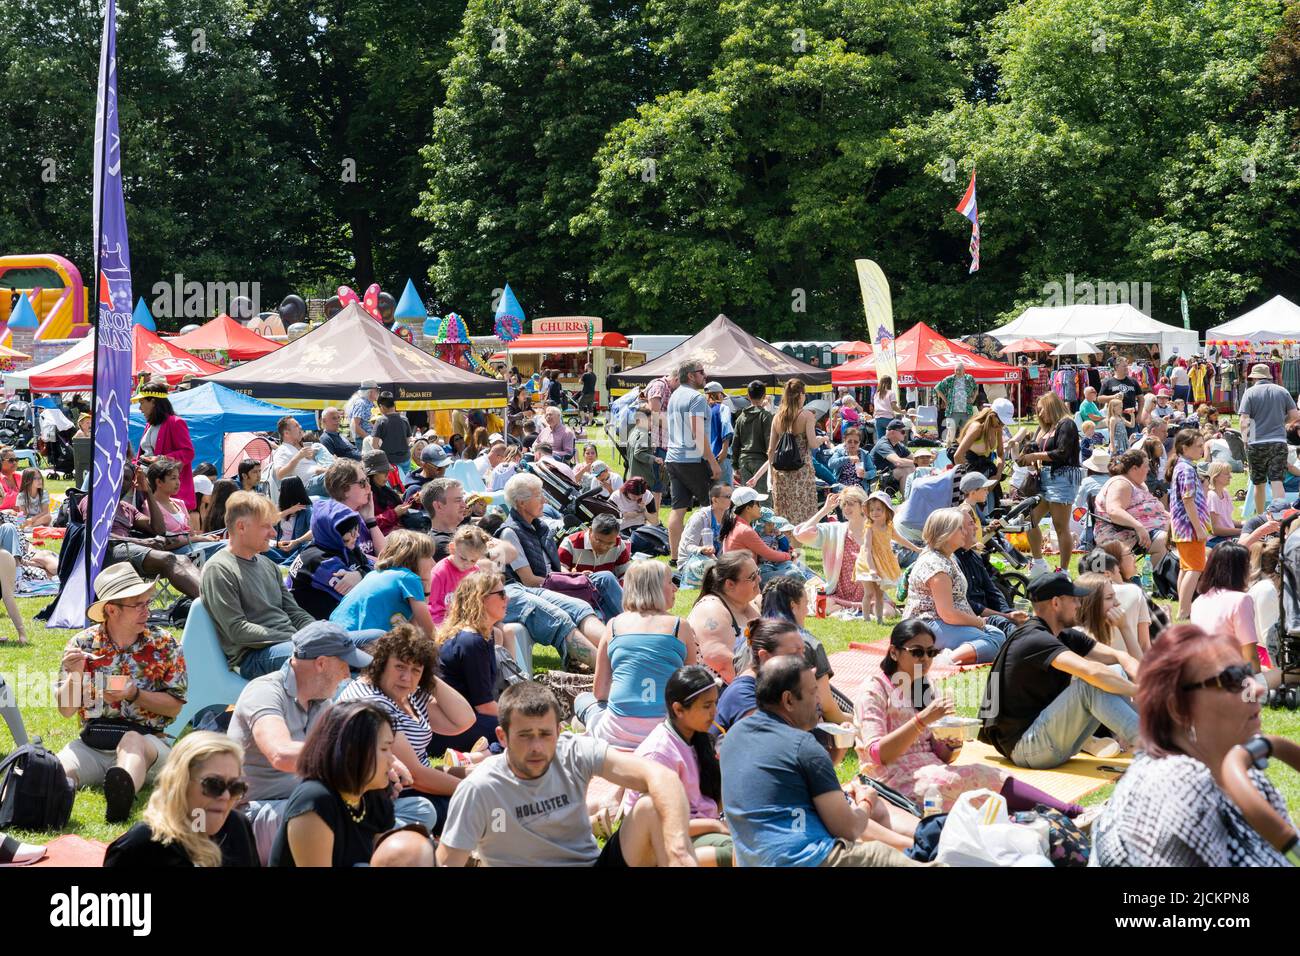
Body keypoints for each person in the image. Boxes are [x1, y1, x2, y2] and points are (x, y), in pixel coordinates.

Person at [436, 681, 696, 867]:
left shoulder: (573, 751)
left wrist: (679, 850)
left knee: (651, 807)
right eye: (525, 736)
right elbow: (448, 862)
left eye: (545, 735)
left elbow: (661, 777)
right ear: (503, 737)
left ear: (559, 733)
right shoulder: (480, 789)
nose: (536, 747)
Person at [1092, 623, 1290, 866]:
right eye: (1232, 679)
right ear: (1178, 708)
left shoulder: (1246, 777)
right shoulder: (1175, 783)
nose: (1257, 688)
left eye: (1248, 673)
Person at [857, 620, 1082, 816]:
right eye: (917, 652)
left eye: (931, 652)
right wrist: (922, 720)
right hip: (890, 779)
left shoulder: (924, 687)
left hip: (929, 769)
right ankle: (1066, 812)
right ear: (894, 652)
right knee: (970, 781)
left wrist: (951, 744)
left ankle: (1060, 813)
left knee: (983, 778)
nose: (925, 659)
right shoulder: (875, 689)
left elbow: (939, 755)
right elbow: (877, 754)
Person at [720, 656, 921, 867]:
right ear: (788, 700)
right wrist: (866, 801)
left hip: (752, 860)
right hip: (807, 859)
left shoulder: (733, 737)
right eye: (813, 692)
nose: (819, 700)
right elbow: (849, 829)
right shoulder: (803, 745)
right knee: (881, 854)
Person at [227, 622, 375, 864]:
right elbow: (281, 754)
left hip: (300, 805)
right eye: (344, 665)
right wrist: (358, 760)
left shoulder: (321, 702)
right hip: (252, 814)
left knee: (393, 808)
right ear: (321, 663)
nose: (348, 674)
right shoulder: (264, 692)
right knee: (335, 816)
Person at [55, 564, 187, 823]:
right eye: (138, 605)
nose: (147, 610)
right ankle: (34, 807)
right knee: (54, 771)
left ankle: (121, 799)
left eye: (147, 603)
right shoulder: (82, 645)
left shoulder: (164, 644)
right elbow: (66, 710)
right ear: (111, 610)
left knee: (132, 740)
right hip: (94, 742)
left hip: (148, 744)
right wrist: (75, 674)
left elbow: (174, 706)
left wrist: (134, 694)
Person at [202, 492, 374, 678]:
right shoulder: (219, 569)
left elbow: (293, 611)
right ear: (241, 527)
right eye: (266, 526)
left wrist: (318, 631)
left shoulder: (267, 564)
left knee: (377, 639)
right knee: (329, 657)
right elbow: (238, 630)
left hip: (291, 642)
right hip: (254, 656)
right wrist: (299, 637)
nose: (274, 533)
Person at [979, 572, 1140, 769]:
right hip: (1025, 747)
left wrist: (1130, 664)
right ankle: (1156, 745)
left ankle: (1158, 733)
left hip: (1044, 738)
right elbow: (1092, 672)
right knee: (1090, 685)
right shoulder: (1034, 639)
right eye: (1073, 600)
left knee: (1114, 670)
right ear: (1056, 603)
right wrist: (1138, 690)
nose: (1079, 605)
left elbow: (1116, 657)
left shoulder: (1060, 634)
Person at [339, 623, 477, 834]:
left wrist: (428, 677)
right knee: (490, 807)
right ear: (382, 663)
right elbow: (415, 776)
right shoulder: (373, 702)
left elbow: (463, 720)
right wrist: (473, 790)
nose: (407, 677)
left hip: (420, 785)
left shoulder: (407, 692)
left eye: (415, 670)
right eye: (400, 667)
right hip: (398, 794)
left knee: (489, 781)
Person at [269, 700, 407, 867]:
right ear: (352, 751)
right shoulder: (315, 800)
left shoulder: (372, 795)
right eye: (385, 749)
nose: (391, 760)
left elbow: (386, 860)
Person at [575, 560, 697, 749]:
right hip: (668, 733)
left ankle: (587, 726)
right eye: (670, 582)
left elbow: (600, 692)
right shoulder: (680, 627)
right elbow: (691, 688)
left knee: (582, 700)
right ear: (654, 588)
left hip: (616, 735)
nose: (675, 588)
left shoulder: (613, 626)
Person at [619, 665, 731, 865]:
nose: (714, 712)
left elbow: (709, 796)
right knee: (734, 851)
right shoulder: (659, 754)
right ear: (678, 709)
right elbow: (656, 823)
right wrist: (717, 827)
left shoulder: (697, 737)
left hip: (702, 825)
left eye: (715, 703)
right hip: (668, 837)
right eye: (707, 706)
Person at [104, 732, 257, 868]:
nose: (226, 796)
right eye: (214, 784)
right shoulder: (142, 845)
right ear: (181, 782)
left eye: (235, 787)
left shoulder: (237, 827)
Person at [497, 471, 620, 640]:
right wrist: (569, 580)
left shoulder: (539, 526)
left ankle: (627, 628)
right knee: (593, 593)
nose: (544, 500)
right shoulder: (510, 533)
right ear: (521, 503)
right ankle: (621, 637)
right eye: (538, 495)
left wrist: (572, 576)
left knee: (605, 578)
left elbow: (551, 567)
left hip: (554, 582)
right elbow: (529, 580)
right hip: (537, 591)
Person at [903, 508, 1007, 665]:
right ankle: (944, 660)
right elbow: (948, 613)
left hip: (940, 624)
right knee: (993, 640)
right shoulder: (936, 565)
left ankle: (945, 653)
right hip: (926, 626)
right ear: (946, 532)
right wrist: (979, 622)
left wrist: (979, 623)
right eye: (960, 528)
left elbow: (959, 603)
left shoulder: (946, 557)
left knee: (997, 635)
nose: (965, 532)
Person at [748, 574, 848, 723]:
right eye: (806, 604)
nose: (807, 611)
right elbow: (826, 706)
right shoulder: (807, 643)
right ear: (793, 606)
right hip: (796, 719)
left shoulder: (748, 639)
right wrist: (855, 724)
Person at [331, 529, 436, 639]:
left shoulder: (376, 574)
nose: (433, 563)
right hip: (348, 641)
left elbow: (413, 631)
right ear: (412, 557)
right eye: (428, 556)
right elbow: (429, 632)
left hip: (333, 634)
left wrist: (426, 588)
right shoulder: (407, 577)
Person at [665, 360, 721, 561]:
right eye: (701, 372)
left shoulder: (674, 396)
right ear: (690, 375)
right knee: (712, 507)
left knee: (677, 509)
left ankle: (675, 556)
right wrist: (713, 461)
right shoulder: (696, 397)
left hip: (674, 457)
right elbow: (698, 432)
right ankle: (710, 552)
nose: (705, 376)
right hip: (692, 459)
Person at [712, 618, 805, 737]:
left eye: (803, 651)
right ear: (765, 656)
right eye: (794, 653)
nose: (803, 660)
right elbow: (772, 743)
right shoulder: (743, 695)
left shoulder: (775, 685)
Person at [1021, 392, 1082, 574]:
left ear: (1051, 406)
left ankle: (1063, 570)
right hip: (1046, 478)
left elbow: (1063, 452)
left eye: (1042, 410)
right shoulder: (1047, 428)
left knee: (1060, 525)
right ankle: (1038, 562)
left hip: (1063, 478)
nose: (1039, 414)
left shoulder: (1067, 424)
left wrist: (1035, 455)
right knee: (1030, 520)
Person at [750, 378, 823, 525]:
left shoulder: (777, 417)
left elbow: (771, 450)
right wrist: (823, 439)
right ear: (801, 395)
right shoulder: (807, 415)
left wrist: (771, 473)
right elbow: (814, 444)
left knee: (784, 509)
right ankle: (802, 537)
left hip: (781, 472)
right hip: (801, 470)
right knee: (802, 507)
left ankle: (786, 539)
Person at [287, 499, 371, 620]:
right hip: (312, 625)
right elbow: (362, 594)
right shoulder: (319, 560)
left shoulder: (345, 546)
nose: (357, 536)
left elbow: (372, 567)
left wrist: (360, 574)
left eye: (357, 529)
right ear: (332, 535)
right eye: (350, 535)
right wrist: (364, 573)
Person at [1190, 542, 1268, 669]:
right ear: (1240, 570)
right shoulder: (1241, 600)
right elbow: (1250, 656)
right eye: (1248, 565)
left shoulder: (1198, 601)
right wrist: (1259, 687)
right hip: (1230, 679)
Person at [687, 551, 761, 682]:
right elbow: (723, 664)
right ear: (730, 584)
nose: (759, 579)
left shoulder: (747, 604)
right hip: (719, 692)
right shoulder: (710, 609)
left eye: (758, 573)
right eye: (752, 577)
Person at [1092, 448, 1170, 567]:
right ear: (1134, 468)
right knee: (1165, 539)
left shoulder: (1140, 484)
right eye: (1146, 466)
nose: (1149, 470)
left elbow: (1155, 509)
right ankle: (1154, 580)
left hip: (1147, 530)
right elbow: (1114, 511)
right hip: (1122, 532)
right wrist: (1138, 527)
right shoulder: (1121, 483)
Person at [1240, 362, 1300, 514]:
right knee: (1277, 481)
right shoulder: (1282, 391)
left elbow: (1244, 420)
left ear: (1254, 378)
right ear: (1269, 377)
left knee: (1258, 484)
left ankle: (1260, 518)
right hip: (1278, 441)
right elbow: (1294, 416)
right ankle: (1278, 516)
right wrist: (1281, 421)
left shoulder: (1250, 392)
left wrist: (1246, 441)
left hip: (1256, 442)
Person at [854, 490, 920, 622]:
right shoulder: (870, 527)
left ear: (887, 511)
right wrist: (871, 569)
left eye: (879, 509)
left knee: (879, 594)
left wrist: (916, 548)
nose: (874, 513)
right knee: (869, 593)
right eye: (872, 510)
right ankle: (866, 619)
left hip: (882, 562)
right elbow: (867, 548)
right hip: (867, 562)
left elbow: (901, 539)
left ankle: (879, 619)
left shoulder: (889, 526)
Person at [1167, 428, 1210, 619]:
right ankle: (1184, 611)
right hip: (1189, 527)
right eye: (1198, 446)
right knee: (1194, 568)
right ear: (1185, 448)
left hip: (1183, 527)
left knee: (1186, 568)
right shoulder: (1186, 469)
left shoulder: (1182, 466)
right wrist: (1199, 528)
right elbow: (1188, 499)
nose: (1202, 450)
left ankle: (1183, 609)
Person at [136, 379, 197, 509]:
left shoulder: (175, 422)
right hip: (149, 486)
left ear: (153, 402)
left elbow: (188, 453)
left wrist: (161, 459)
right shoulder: (149, 424)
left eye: (141, 402)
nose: (139, 408)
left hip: (166, 492)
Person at [718, 485, 794, 584]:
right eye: (757, 504)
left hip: (742, 575)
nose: (760, 507)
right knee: (794, 574)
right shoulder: (745, 530)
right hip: (744, 580)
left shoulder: (736, 523)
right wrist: (789, 556)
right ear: (748, 508)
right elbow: (769, 554)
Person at [323, 459, 386, 559]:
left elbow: (385, 554)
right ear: (345, 489)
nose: (369, 487)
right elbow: (383, 561)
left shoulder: (357, 515)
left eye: (367, 481)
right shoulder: (334, 523)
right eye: (362, 482)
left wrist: (370, 520)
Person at [677, 483, 731, 588]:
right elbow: (688, 546)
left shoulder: (729, 517)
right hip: (692, 563)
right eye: (728, 497)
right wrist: (701, 549)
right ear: (715, 500)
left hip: (716, 562)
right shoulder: (700, 518)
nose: (732, 500)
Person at [269, 416, 326, 505]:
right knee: (337, 476)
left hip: (317, 481)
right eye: (296, 426)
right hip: (307, 486)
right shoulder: (282, 450)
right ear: (287, 433)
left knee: (345, 473)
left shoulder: (299, 447)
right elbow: (280, 474)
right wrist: (298, 457)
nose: (301, 427)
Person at [559, 513, 633, 579]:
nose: (604, 547)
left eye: (610, 543)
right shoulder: (570, 543)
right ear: (590, 531)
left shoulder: (619, 544)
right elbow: (559, 571)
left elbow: (625, 574)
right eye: (599, 541)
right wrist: (577, 577)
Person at [732, 381, 773, 490]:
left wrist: (735, 466)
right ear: (764, 396)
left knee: (748, 501)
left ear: (748, 396)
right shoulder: (766, 416)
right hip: (762, 462)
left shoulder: (741, 417)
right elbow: (770, 443)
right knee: (764, 501)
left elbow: (735, 443)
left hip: (744, 461)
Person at [270, 476, 313, 561]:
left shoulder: (306, 510)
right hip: (280, 548)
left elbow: (314, 530)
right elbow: (269, 522)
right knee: (262, 548)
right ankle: (285, 564)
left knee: (306, 549)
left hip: (296, 550)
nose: (279, 491)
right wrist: (289, 511)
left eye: (281, 489)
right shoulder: (280, 507)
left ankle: (286, 565)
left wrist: (297, 541)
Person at [935, 358, 977, 441]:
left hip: (966, 411)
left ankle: (963, 451)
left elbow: (976, 389)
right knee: (951, 432)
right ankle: (949, 450)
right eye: (956, 370)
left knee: (965, 432)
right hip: (952, 411)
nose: (957, 372)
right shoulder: (950, 379)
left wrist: (973, 399)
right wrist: (945, 400)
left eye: (959, 370)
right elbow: (937, 388)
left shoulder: (969, 379)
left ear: (964, 370)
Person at [371, 391, 412, 473]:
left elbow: (374, 444)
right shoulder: (404, 419)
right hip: (405, 458)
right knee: (406, 484)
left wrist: (384, 460)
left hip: (389, 461)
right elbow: (408, 440)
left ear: (381, 406)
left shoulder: (380, 421)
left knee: (393, 484)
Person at [870, 418, 915, 491]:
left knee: (912, 468)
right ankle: (906, 500)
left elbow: (914, 458)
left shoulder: (898, 445)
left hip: (887, 477)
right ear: (893, 432)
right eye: (903, 431)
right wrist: (917, 462)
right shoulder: (883, 444)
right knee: (904, 470)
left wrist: (926, 459)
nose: (905, 434)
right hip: (876, 481)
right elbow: (898, 462)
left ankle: (912, 497)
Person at [704, 381, 735, 485]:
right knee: (725, 493)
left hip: (705, 459)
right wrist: (724, 449)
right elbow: (726, 425)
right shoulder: (723, 408)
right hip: (720, 457)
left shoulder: (702, 411)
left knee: (710, 494)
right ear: (719, 394)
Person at [625, 405, 659, 493]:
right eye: (649, 420)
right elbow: (638, 453)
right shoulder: (643, 433)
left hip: (633, 477)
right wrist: (654, 459)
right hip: (642, 480)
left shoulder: (633, 431)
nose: (651, 423)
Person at [346, 380, 379, 449]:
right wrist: (368, 438)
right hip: (364, 441)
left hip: (369, 440)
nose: (378, 392)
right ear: (370, 392)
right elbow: (354, 425)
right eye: (377, 390)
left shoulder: (370, 403)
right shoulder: (361, 403)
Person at [872, 375, 898, 441]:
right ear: (890, 383)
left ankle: (881, 451)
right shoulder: (891, 393)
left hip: (878, 419)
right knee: (891, 439)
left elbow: (875, 408)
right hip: (888, 418)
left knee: (881, 440)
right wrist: (902, 411)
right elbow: (893, 407)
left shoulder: (876, 394)